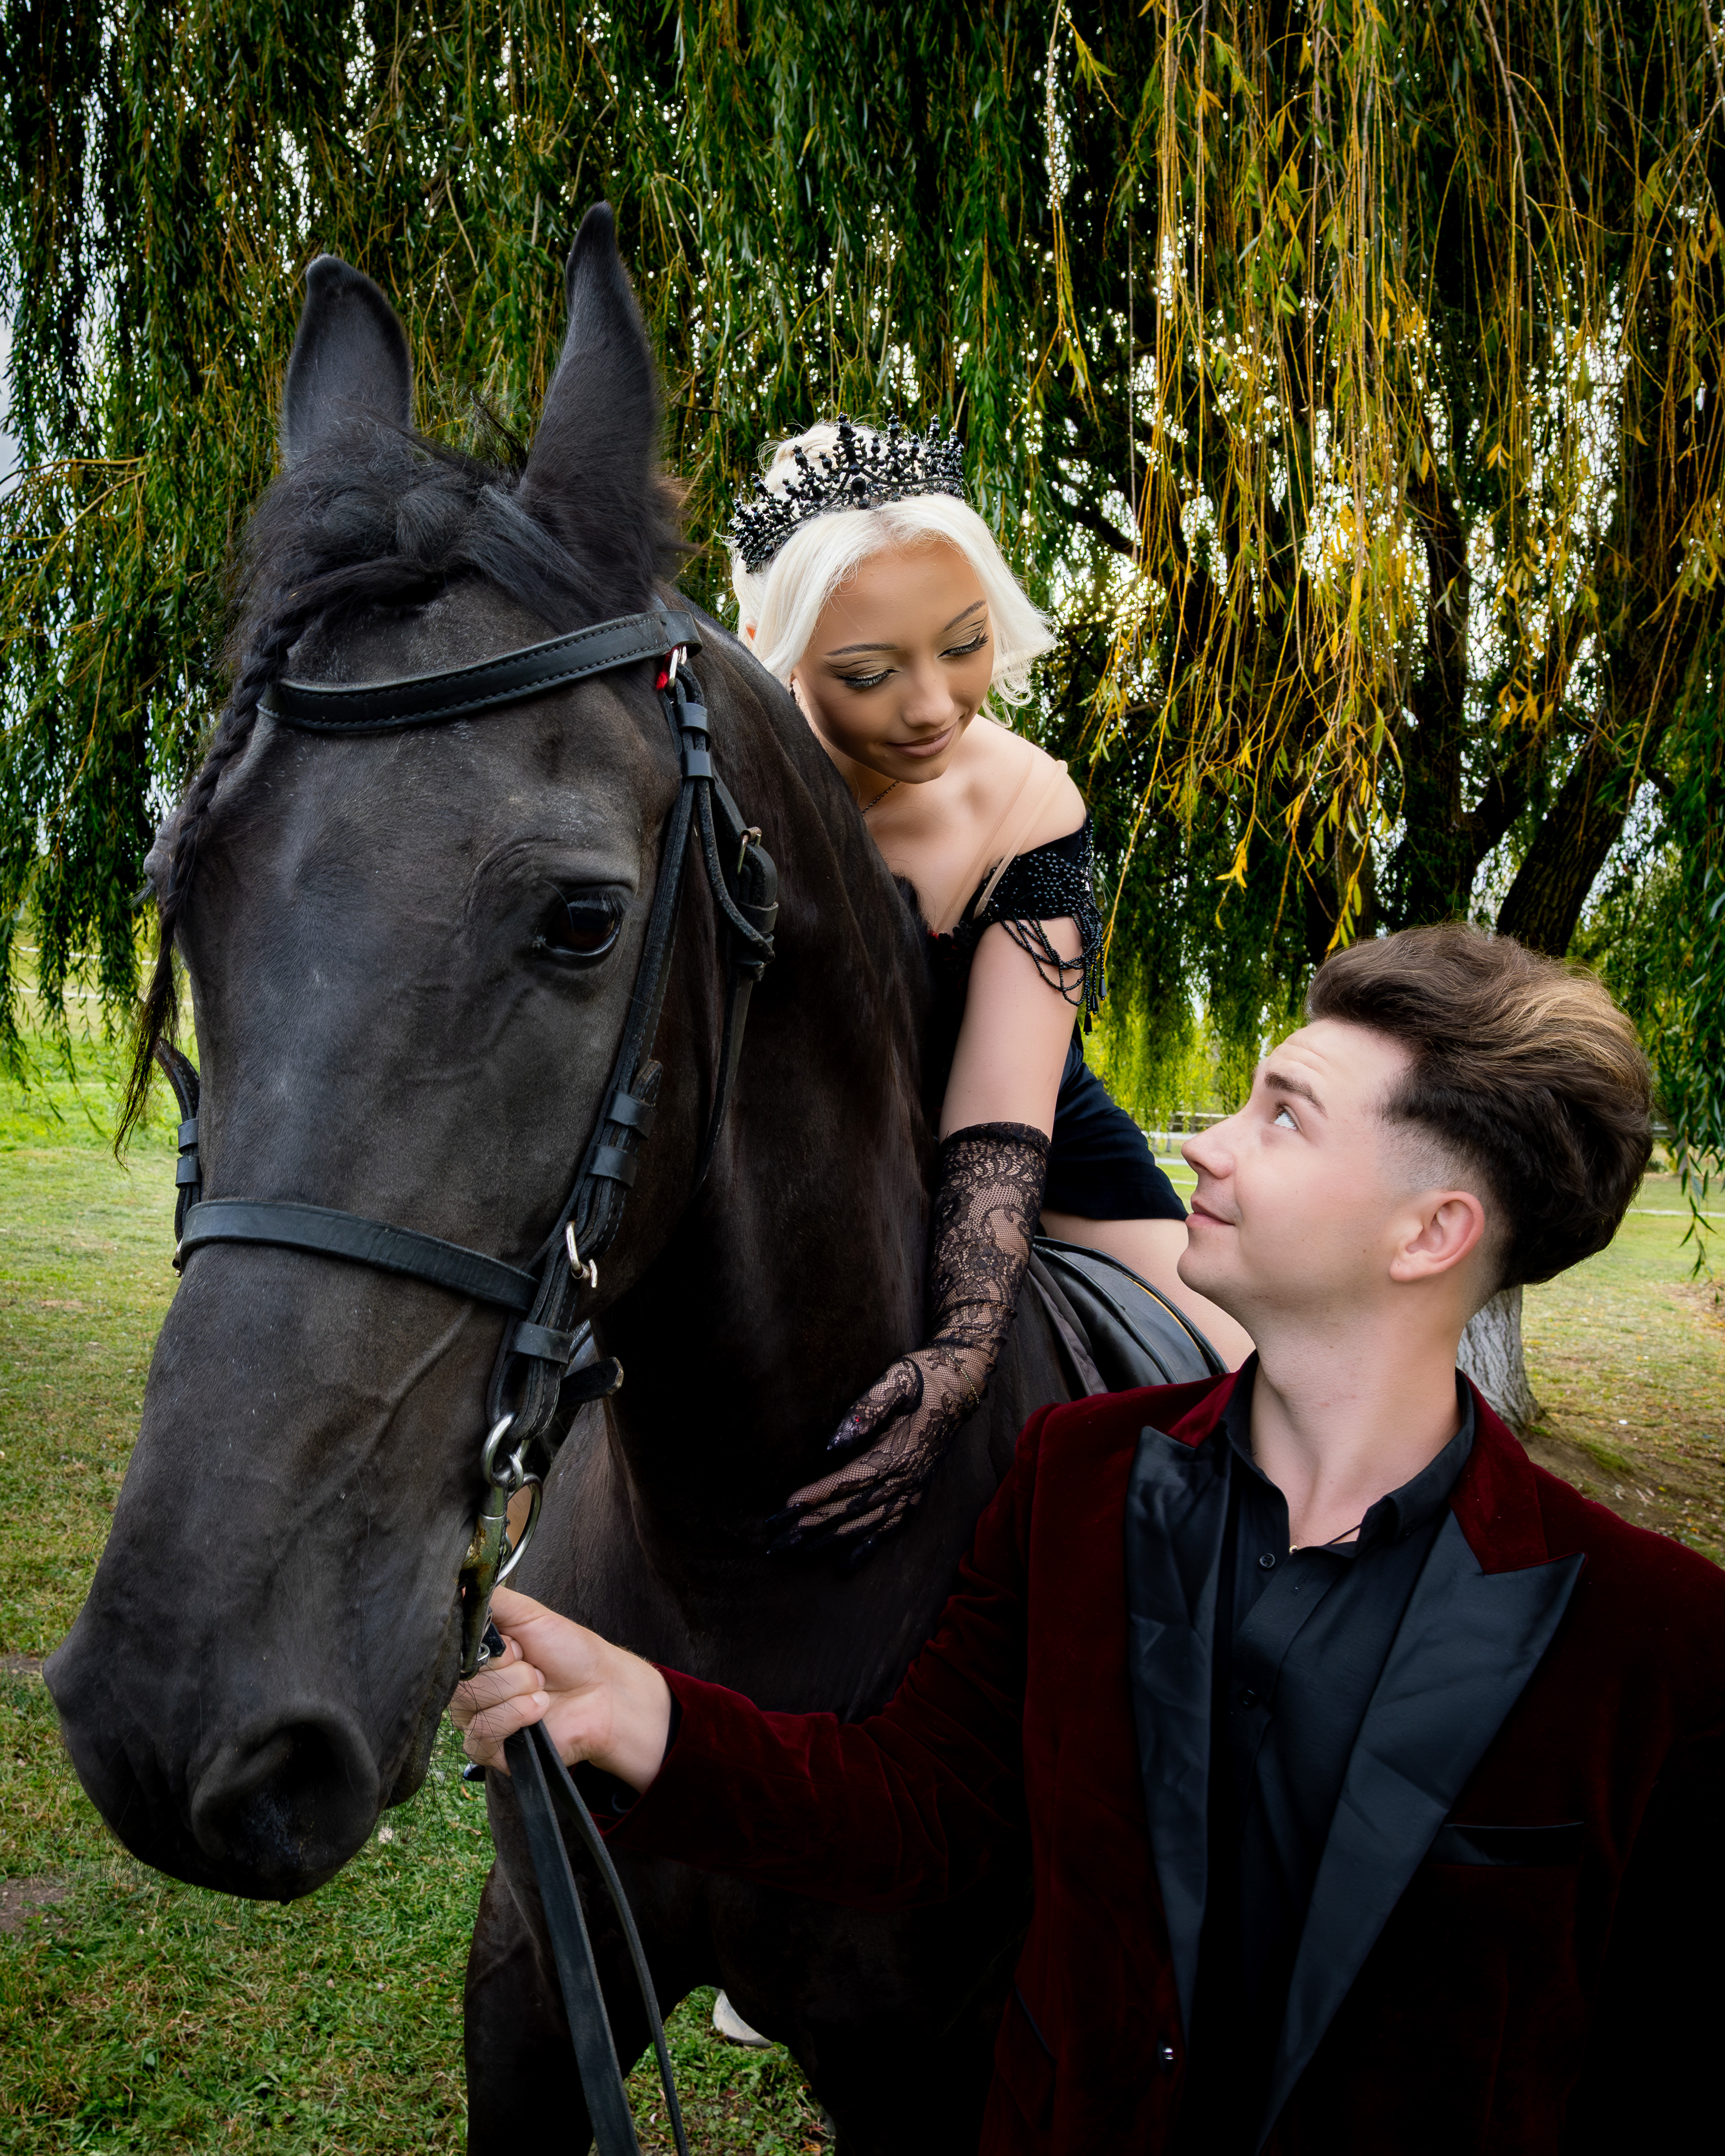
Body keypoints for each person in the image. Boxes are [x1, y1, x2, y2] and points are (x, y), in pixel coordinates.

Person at [451, 925, 1724, 2154]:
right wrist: (648, 1714)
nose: (1208, 1144)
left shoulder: (1657, 1644)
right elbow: (926, 1804)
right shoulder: (1079, 1473)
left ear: (1428, 1231)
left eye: (1283, 1116)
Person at [727, 417, 1251, 1561]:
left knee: (1254, 1392)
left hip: (1031, 1143)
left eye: (963, 645)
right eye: (869, 673)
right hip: (787, 1148)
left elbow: (1001, 1104)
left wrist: (967, 1345)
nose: (931, 706)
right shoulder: (705, 782)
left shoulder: (1026, 803)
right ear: (774, 649)